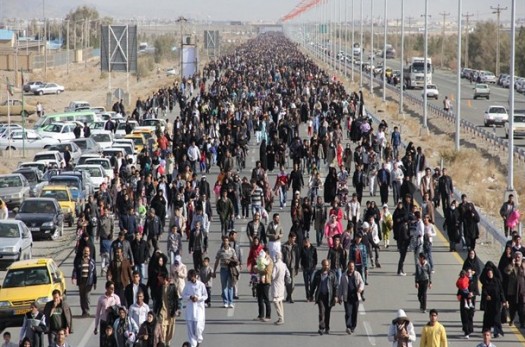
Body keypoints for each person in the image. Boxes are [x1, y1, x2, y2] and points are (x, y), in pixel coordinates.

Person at [310, 259, 338, 335]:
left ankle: (327, 327)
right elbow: (313, 285)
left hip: (329, 296)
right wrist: (311, 295)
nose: (326, 267)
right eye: (325, 265)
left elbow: (335, 286)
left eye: (327, 265)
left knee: (327, 313)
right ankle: (321, 328)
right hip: (321, 296)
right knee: (321, 312)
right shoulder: (318, 274)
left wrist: (336, 296)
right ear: (322, 265)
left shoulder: (332, 274)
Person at [182, 269, 208, 347]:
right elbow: (183, 295)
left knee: (198, 329)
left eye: (193, 276)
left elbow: (205, 296)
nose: (192, 278)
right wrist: (190, 297)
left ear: (196, 276)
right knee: (191, 332)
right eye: (191, 277)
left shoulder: (201, 285)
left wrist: (198, 298)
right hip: (190, 312)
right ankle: (194, 345)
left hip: (199, 311)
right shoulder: (187, 285)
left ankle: (198, 341)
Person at [338, 261, 364, 335]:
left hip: (355, 297)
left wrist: (360, 289)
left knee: (354, 313)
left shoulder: (357, 274)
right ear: (348, 267)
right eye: (350, 266)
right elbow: (340, 287)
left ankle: (353, 326)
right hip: (347, 298)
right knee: (348, 313)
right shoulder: (343, 276)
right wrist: (339, 297)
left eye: (352, 266)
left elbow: (362, 283)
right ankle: (348, 327)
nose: (351, 268)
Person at [213, 235, 238, 308]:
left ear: (228, 242)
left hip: (230, 270)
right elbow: (217, 261)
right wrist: (214, 271)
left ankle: (231, 302)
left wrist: (230, 261)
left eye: (227, 241)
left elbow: (236, 260)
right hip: (223, 269)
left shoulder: (232, 250)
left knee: (230, 286)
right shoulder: (220, 251)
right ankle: (225, 301)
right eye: (224, 241)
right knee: (224, 286)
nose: (225, 242)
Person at [72, 246, 97, 317]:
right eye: (85, 251)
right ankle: (83, 311)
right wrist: (74, 277)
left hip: (89, 282)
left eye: (87, 251)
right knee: (82, 296)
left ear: (89, 253)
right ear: (83, 252)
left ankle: (87, 311)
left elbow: (94, 272)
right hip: (81, 281)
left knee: (87, 296)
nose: (86, 252)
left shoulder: (92, 261)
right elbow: (75, 270)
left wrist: (95, 282)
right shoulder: (79, 261)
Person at [154, 273, 178, 346]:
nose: (159, 280)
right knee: (162, 329)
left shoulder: (172, 287)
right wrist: (155, 311)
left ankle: (168, 342)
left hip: (171, 311)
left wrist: (176, 309)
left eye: (160, 278)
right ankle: (163, 342)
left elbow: (176, 299)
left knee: (170, 329)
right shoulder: (159, 288)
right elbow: (157, 300)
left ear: (164, 278)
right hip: (162, 311)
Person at [271, 252, 290, 325]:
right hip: (282, 284)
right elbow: (288, 273)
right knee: (280, 301)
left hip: (276, 284)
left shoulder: (276, 265)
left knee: (275, 301)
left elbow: (273, 276)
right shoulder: (284, 265)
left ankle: (280, 317)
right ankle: (282, 317)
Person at [281, 232, 299, 303]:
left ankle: (289, 295)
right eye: (293, 238)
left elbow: (297, 257)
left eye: (295, 239)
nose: (294, 240)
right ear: (289, 238)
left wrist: (297, 267)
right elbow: (282, 257)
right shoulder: (284, 246)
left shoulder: (296, 246)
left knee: (293, 283)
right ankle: (290, 296)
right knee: (287, 282)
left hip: (293, 266)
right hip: (286, 266)